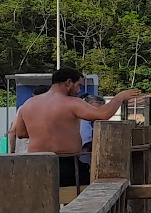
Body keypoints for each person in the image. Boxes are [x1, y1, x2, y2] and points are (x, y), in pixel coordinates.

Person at [9, 69, 140, 187]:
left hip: (35, 163)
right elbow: (103, 114)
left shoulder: (28, 104)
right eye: (79, 86)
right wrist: (119, 97)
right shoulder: (72, 103)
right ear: (68, 82)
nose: (78, 91)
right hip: (67, 166)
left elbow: (20, 133)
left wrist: (40, 133)